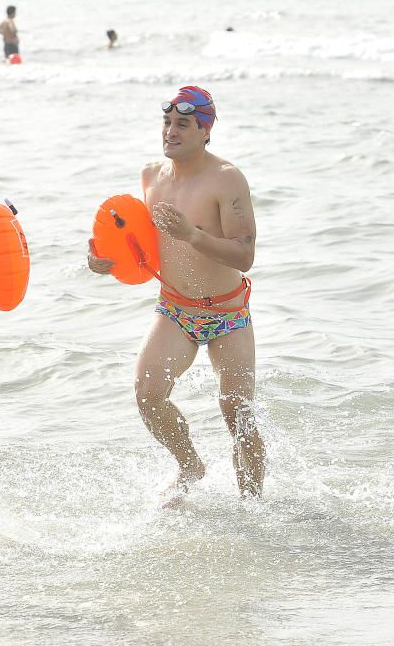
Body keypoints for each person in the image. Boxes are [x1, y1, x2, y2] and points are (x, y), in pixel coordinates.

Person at [86, 86, 265, 507]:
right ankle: (189, 464)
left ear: (205, 130)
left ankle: (254, 508)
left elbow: (245, 255)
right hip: (175, 308)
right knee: (148, 394)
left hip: (228, 312)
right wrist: (102, 259)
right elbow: (137, 244)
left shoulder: (227, 179)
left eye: (182, 124)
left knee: (236, 412)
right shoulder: (151, 177)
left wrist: (192, 235)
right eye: (167, 123)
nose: (170, 131)